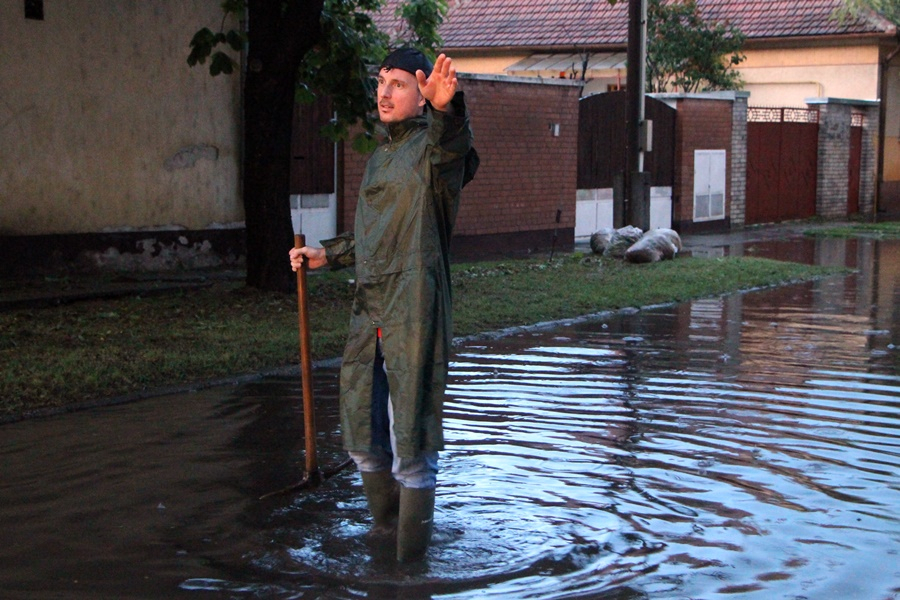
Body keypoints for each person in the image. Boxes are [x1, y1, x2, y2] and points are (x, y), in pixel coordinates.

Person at [288, 48, 478, 562]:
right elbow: (373, 236)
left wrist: (447, 109)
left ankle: (409, 568)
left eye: (397, 83)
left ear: (421, 93)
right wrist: (327, 253)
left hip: (414, 310)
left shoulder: (435, 153)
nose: (384, 92)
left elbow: (455, 144)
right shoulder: (380, 156)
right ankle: (386, 540)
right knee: (362, 438)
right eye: (380, 82)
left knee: (411, 445)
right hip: (369, 310)